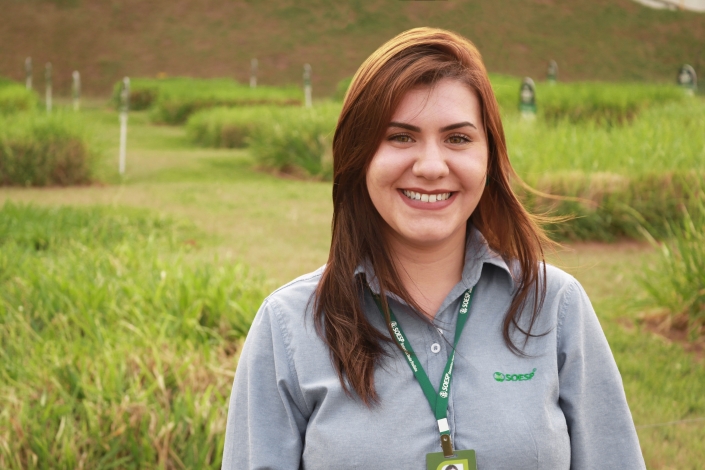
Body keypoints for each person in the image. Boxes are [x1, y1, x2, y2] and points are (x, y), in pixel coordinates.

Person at [222, 27, 645, 469]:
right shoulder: (289, 325)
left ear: (489, 157)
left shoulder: (554, 306)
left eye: (457, 138)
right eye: (400, 137)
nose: (430, 166)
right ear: (358, 155)